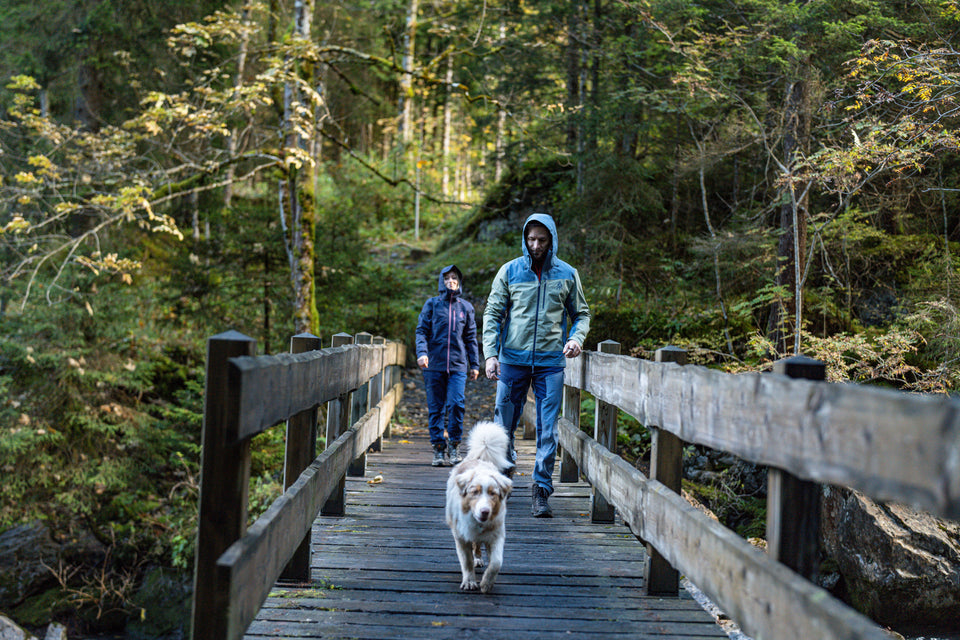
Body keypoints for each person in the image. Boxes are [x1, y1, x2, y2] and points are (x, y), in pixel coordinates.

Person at [482, 213, 590, 517]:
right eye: (531, 239)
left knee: (547, 430)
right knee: (503, 425)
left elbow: (582, 314)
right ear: (524, 238)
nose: (535, 245)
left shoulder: (567, 274)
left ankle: (541, 489)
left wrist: (576, 337)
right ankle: (501, 477)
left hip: (550, 363)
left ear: (552, 240)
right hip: (512, 360)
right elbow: (492, 315)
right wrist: (491, 353)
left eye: (542, 240)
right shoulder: (510, 272)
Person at [416, 265, 480, 467]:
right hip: (433, 365)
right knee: (436, 408)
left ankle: (454, 445)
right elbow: (421, 331)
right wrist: (422, 353)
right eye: (447, 278)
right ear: (441, 281)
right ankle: (438, 448)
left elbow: (471, 338)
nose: (451, 280)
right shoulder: (432, 305)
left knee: (456, 404)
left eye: (454, 277)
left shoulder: (466, 307)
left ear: (459, 281)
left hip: (458, 365)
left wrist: (475, 364)